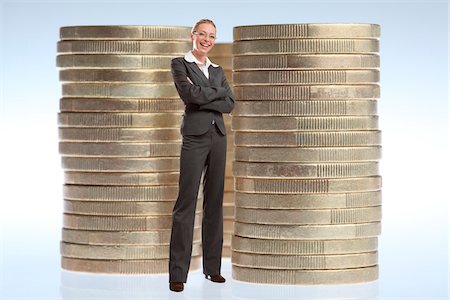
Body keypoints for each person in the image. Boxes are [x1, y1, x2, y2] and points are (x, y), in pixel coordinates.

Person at [168, 19, 235, 292]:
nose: (207, 40)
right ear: (192, 35)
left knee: (214, 203)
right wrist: (214, 94)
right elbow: (188, 95)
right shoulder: (179, 63)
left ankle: (212, 269)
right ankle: (177, 274)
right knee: (186, 203)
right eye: (203, 34)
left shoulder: (217, 70)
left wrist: (205, 94)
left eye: (212, 36)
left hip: (218, 137)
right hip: (194, 138)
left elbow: (230, 103)